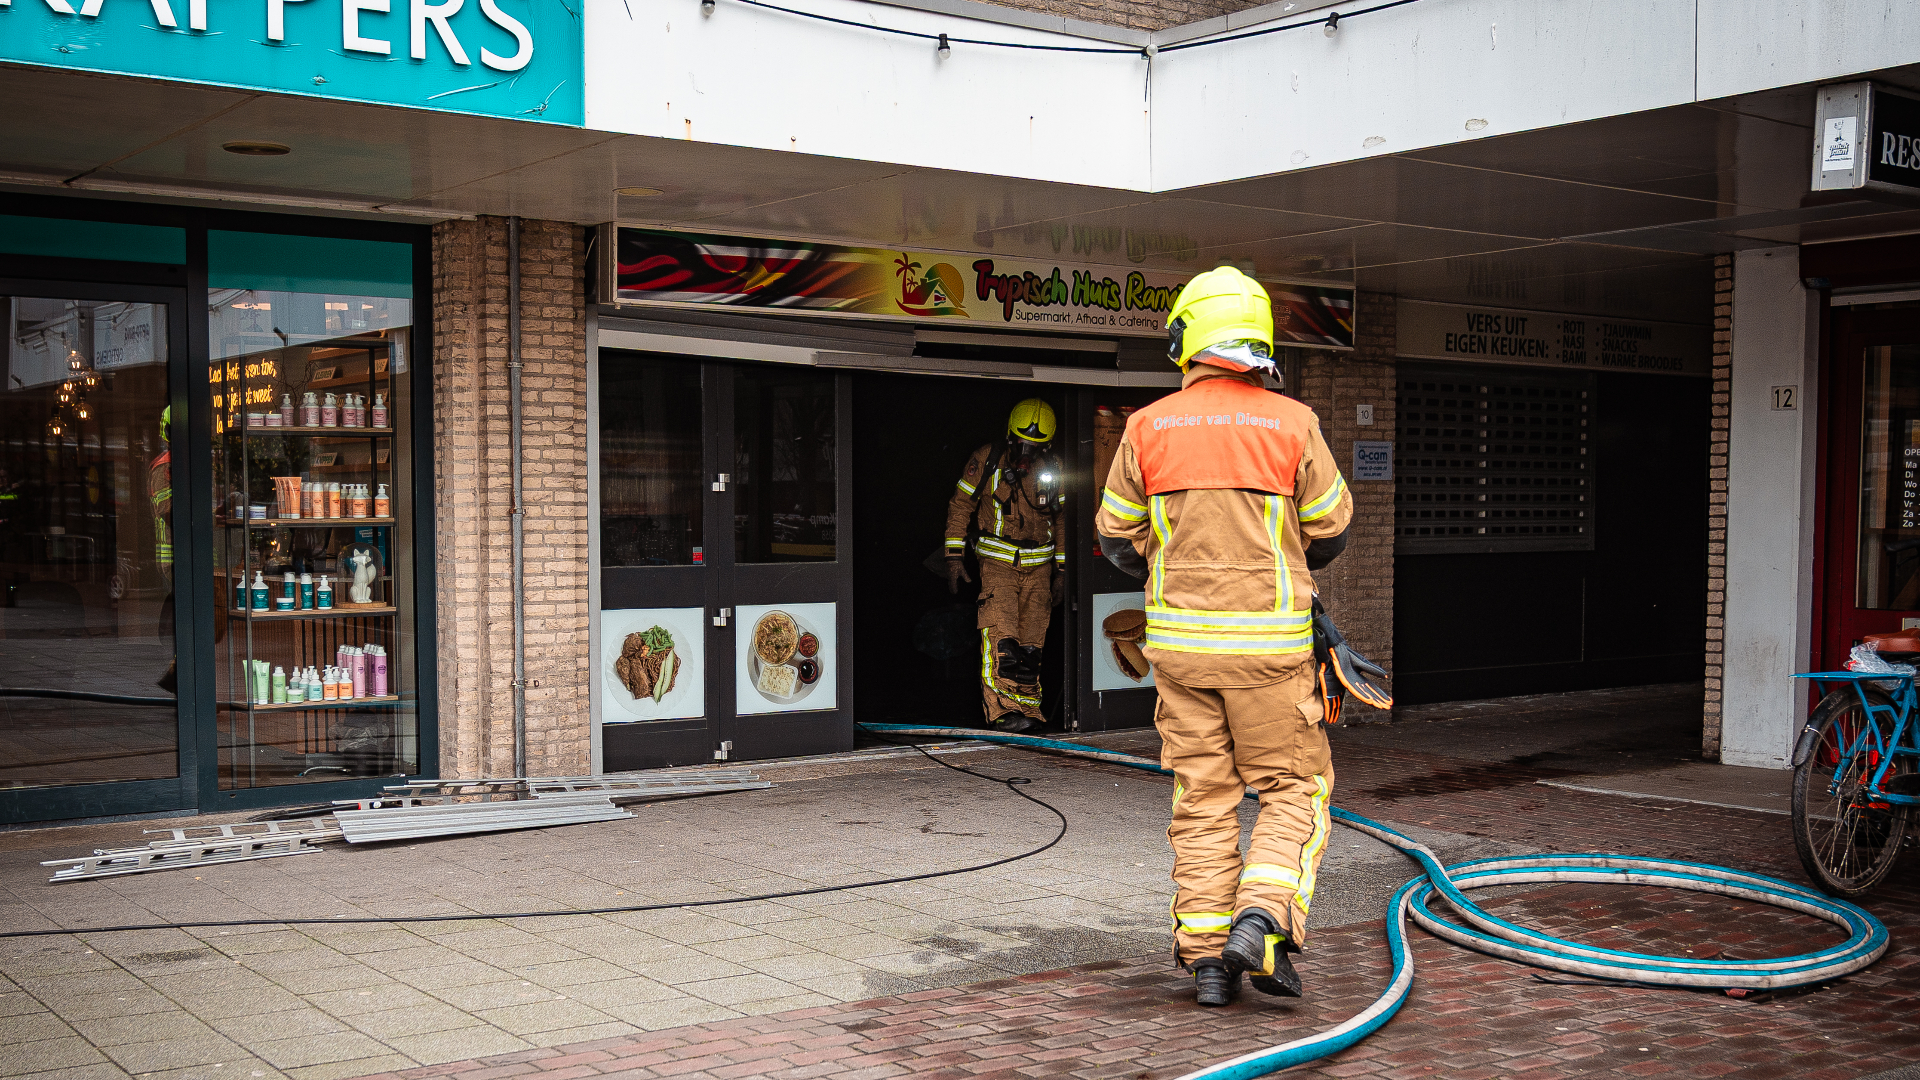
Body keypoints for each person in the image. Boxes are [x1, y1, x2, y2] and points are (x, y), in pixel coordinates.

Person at [1093, 266, 1352, 1007]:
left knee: (1203, 798)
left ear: (1189, 337)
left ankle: (1208, 960)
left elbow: (1114, 536)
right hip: (1271, 654)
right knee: (1294, 788)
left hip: (1179, 653)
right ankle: (1262, 920)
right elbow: (1331, 529)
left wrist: (1173, 564)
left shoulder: (1148, 426)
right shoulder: (1292, 423)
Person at [943, 399, 1066, 732]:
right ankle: (1001, 711)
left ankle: (1029, 710)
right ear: (1010, 436)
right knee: (1002, 640)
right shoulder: (987, 460)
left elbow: (1062, 519)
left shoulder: (1053, 468)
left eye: (1036, 447)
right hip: (998, 564)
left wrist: (1061, 572)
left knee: (1031, 646)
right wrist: (954, 556)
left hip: (1039, 569)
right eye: (1022, 443)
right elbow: (960, 506)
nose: (1027, 451)